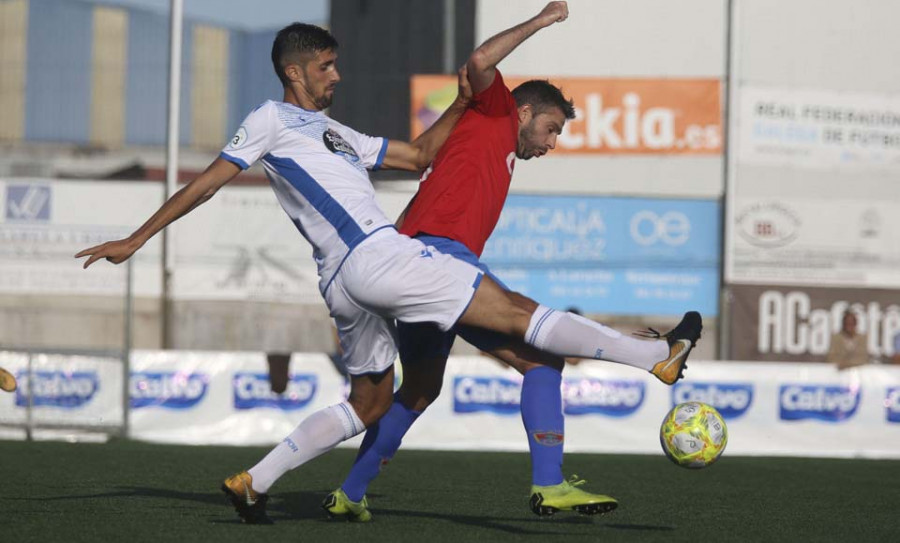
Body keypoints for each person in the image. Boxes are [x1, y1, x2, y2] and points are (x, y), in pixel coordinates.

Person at [76, 10, 700, 526]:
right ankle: (654, 358)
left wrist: (455, 105)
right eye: (326, 67)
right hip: (380, 256)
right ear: (293, 72)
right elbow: (210, 182)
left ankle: (255, 481)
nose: (336, 76)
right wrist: (136, 238)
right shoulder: (270, 118)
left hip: (347, 283)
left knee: (370, 402)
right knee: (516, 316)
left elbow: (420, 155)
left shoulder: (334, 133)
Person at [322, 4, 696, 521]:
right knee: (536, 339)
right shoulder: (495, 111)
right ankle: (649, 360)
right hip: (432, 257)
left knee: (426, 388)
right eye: (551, 127)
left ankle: (350, 493)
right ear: (523, 111)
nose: (552, 142)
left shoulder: (497, 144)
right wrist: (542, 20)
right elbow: (479, 61)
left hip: (418, 265)